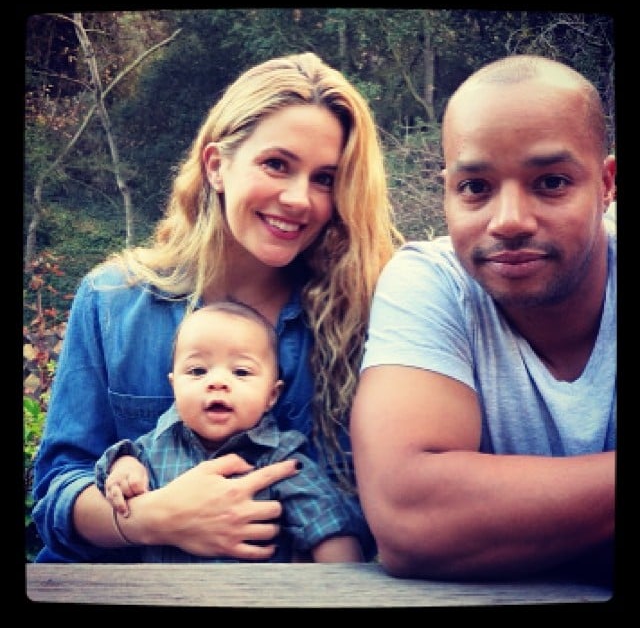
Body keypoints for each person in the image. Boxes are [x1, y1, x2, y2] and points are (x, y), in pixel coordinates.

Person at [32, 51, 403, 563]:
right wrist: (156, 517)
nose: (300, 199)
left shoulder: (366, 311)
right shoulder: (112, 300)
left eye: (325, 178)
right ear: (217, 166)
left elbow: (389, 504)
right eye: (276, 164)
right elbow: (56, 492)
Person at [350, 55, 616, 585]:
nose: (510, 220)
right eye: (476, 188)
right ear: (445, 190)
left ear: (607, 184)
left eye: (552, 182)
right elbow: (409, 518)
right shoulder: (430, 281)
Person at [96, 300, 362, 563]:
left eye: (241, 372)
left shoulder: (281, 459)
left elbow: (328, 527)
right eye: (198, 370)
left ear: (272, 395)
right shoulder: (152, 448)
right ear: (174, 385)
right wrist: (124, 467)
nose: (217, 382)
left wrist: (337, 592)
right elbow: (112, 467)